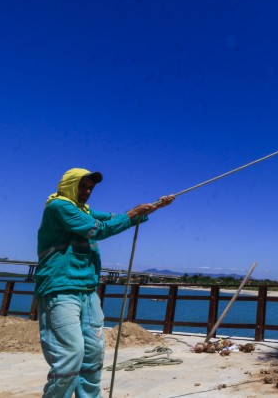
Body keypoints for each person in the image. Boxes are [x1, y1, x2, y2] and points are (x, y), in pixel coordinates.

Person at [35, 168, 174, 397]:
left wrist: (154, 207)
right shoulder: (59, 206)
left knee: (92, 353)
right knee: (70, 355)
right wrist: (133, 214)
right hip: (61, 288)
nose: (87, 192)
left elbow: (113, 218)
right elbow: (99, 230)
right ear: (69, 185)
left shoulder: (85, 210)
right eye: (82, 186)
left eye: (90, 187)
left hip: (87, 290)